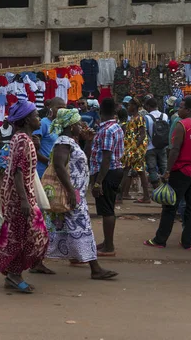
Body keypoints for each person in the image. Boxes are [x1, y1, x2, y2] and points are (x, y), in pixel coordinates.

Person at [41, 109, 118, 280]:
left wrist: (89, 142)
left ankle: (36, 262)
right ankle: (95, 268)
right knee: (82, 229)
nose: (81, 126)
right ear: (71, 125)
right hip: (71, 195)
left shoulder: (70, 142)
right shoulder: (63, 142)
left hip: (74, 194)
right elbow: (59, 166)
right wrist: (70, 191)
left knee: (55, 229)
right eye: (78, 124)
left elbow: (82, 160)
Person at [0, 100, 48, 294]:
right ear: (26, 120)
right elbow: (18, 172)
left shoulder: (22, 138)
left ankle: (13, 274)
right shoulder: (23, 140)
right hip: (19, 197)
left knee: (23, 236)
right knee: (31, 236)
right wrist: (24, 200)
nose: (38, 119)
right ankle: (14, 275)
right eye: (35, 116)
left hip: (18, 195)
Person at [145, 96, 191, 250]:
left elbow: (175, 150)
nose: (179, 109)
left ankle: (160, 240)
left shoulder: (181, 125)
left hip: (181, 171)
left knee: (170, 206)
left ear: (189, 110)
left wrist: (167, 170)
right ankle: (186, 242)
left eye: (181, 107)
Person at [90, 98, 124, 257]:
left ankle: (109, 246)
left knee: (107, 210)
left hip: (107, 172)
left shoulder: (106, 130)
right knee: (108, 208)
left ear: (100, 112)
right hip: (114, 170)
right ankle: (107, 241)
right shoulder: (115, 127)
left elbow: (106, 158)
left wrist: (98, 182)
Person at [120, 98, 151, 204]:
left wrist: (135, 147)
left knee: (128, 170)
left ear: (134, 106)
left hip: (135, 150)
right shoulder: (132, 118)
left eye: (129, 105)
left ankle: (119, 196)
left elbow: (142, 134)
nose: (128, 107)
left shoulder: (139, 118)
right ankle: (146, 196)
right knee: (137, 171)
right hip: (132, 148)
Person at [34, 97, 66, 178]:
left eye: (64, 108)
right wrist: (49, 162)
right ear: (50, 108)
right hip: (41, 170)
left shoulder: (60, 125)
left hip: (54, 170)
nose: (62, 111)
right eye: (59, 108)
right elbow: (33, 149)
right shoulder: (43, 123)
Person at [143, 97, 169, 189]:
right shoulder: (165, 116)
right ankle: (166, 188)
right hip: (163, 146)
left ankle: (156, 188)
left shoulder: (146, 117)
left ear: (148, 106)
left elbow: (144, 133)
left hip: (150, 147)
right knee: (164, 167)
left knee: (152, 168)